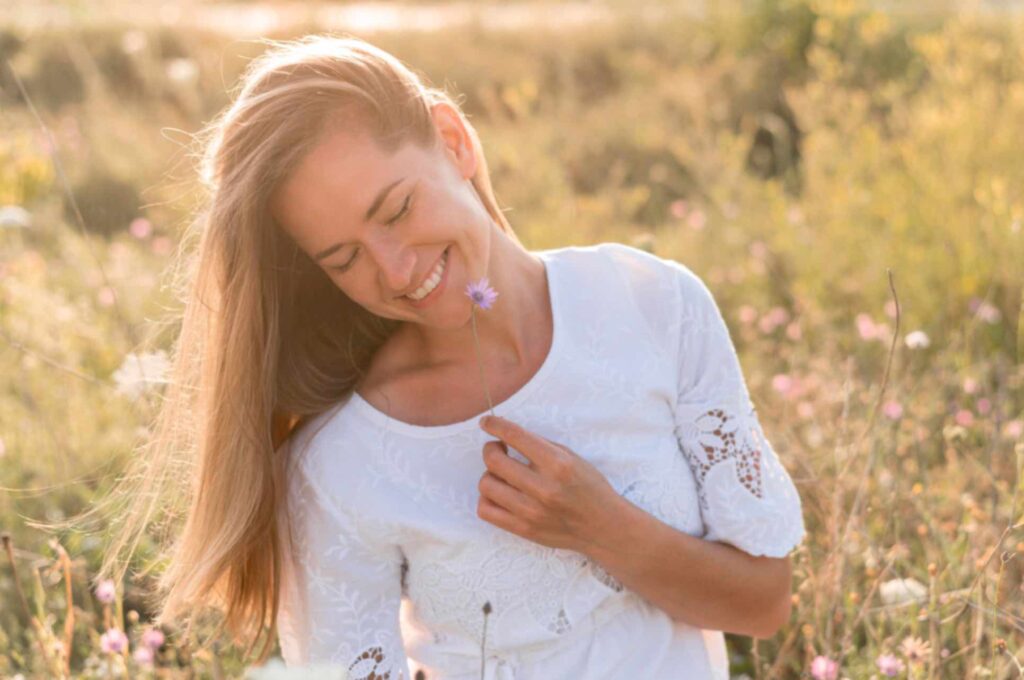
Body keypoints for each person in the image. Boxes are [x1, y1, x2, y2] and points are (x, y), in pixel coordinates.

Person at [100, 35, 806, 679]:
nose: (397, 270)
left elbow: (763, 601)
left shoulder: (654, 304)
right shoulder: (341, 465)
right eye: (345, 258)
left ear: (453, 140)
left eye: (396, 210)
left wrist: (601, 527)